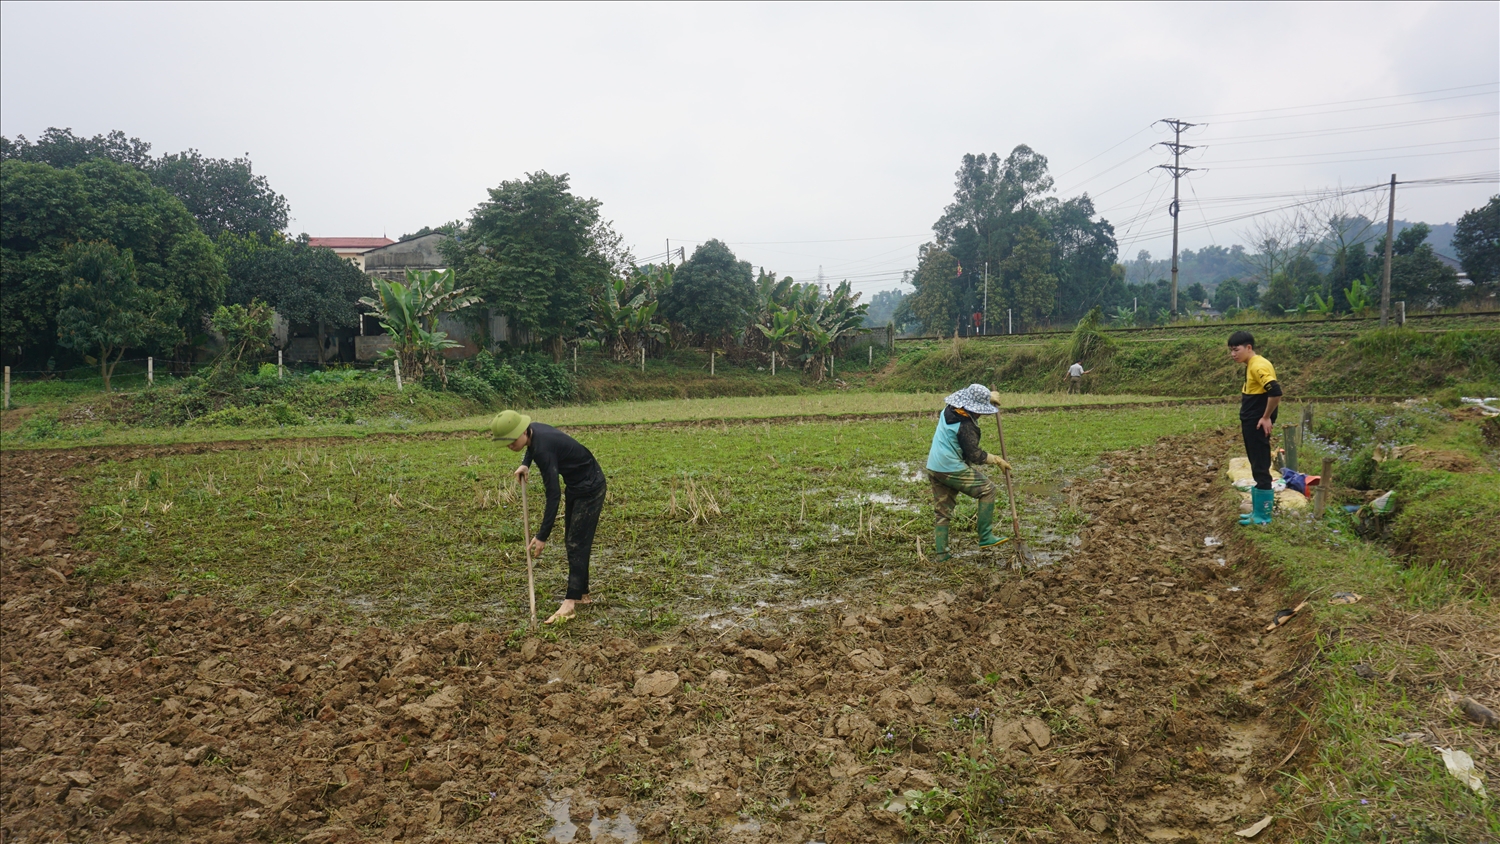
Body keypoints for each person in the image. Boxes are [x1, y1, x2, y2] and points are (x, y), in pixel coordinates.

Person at [492, 410, 607, 624]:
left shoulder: (543, 449)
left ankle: (570, 603)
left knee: (576, 542)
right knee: (573, 540)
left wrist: (542, 535)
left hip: (591, 487)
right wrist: (526, 462)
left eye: (511, 440)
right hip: (577, 484)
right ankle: (582, 594)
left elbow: (553, 494)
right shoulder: (534, 431)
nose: (509, 445)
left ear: (523, 431)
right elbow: (531, 446)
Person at [925, 383, 1013, 561]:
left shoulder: (950, 409)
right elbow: (974, 455)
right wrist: (996, 459)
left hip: (935, 466)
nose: (981, 413)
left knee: (942, 511)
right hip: (951, 468)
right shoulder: (966, 426)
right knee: (987, 490)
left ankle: (942, 554)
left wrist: (988, 397)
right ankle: (985, 536)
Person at [1228, 331, 1282, 525]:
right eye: (1231, 351)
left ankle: (1263, 516)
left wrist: (1266, 417)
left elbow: (1275, 391)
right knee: (1256, 463)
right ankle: (1257, 512)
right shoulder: (1252, 364)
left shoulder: (1258, 365)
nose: (1233, 354)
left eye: (1237, 350)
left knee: (1260, 465)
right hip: (1251, 422)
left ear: (1248, 347)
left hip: (1257, 423)